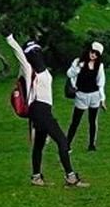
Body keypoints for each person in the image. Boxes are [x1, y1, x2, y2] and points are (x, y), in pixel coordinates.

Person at [8, 33, 84, 188]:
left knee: (39, 145)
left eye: (37, 51)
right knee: (62, 141)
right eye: (33, 52)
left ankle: (36, 177)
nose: (37, 54)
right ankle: (70, 177)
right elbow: (18, 53)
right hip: (39, 109)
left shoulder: (43, 71)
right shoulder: (28, 70)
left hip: (44, 111)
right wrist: (9, 38)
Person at [64, 41, 107, 153]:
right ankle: (67, 144)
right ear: (89, 51)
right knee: (75, 121)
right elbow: (69, 74)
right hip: (81, 95)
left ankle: (92, 144)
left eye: (96, 54)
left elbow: (101, 83)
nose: (93, 55)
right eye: (92, 52)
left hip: (94, 96)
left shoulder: (99, 66)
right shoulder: (78, 62)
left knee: (93, 121)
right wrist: (78, 67)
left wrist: (102, 99)